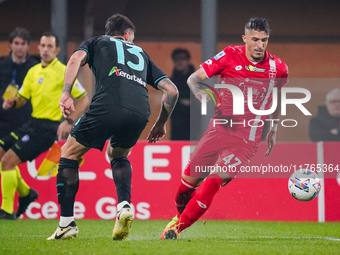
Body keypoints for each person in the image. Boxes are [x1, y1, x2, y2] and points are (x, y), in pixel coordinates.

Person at [47, 13, 178, 240]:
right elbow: (172, 90)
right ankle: (124, 205)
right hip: (140, 112)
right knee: (117, 154)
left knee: (68, 153)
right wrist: (161, 123)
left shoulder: (97, 42)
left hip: (107, 106)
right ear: (128, 35)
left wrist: (66, 93)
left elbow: (74, 60)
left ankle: (67, 223)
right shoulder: (140, 52)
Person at [161, 17, 288, 239]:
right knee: (184, 190)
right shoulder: (230, 55)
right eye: (255, 39)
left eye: (264, 40)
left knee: (212, 181)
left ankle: (175, 229)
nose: (260, 45)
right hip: (218, 131)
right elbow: (193, 78)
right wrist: (197, 90)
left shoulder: (278, 68)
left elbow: (276, 97)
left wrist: (273, 128)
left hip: (247, 140)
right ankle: (180, 217)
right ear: (245, 38)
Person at [0, 32, 89, 220]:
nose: (46, 50)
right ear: (38, 48)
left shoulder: (64, 71)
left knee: (7, 162)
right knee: (1, 154)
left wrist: (68, 121)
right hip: (31, 123)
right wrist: (12, 103)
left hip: (47, 129)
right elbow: (22, 99)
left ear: (56, 50)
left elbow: (84, 99)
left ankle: (7, 210)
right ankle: (26, 193)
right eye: (43, 46)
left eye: (50, 46)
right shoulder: (33, 71)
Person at [0, 27, 38, 138]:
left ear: (28, 45)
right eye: (16, 43)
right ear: (10, 44)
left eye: (23, 44)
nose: (19, 47)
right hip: (3, 121)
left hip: (26, 121)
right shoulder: (2, 65)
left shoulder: (35, 68)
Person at [170, 48, 195, 140]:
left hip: (195, 125)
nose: (179, 62)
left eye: (182, 58)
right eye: (176, 59)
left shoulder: (198, 80)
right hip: (177, 126)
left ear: (188, 61)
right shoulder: (171, 82)